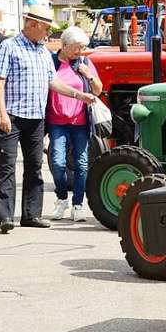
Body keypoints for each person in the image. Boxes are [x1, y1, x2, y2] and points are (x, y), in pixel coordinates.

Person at [0, 5, 95, 234]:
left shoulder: (42, 51)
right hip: (12, 115)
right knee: (7, 167)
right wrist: (1, 112)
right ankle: (5, 215)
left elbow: (53, 82)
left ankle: (31, 215)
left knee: (34, 167)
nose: (49, 32)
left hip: (36, 117)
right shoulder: (9, 47)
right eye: (47, 27)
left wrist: (79, 95)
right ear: (34, 24)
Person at [47, 26, 102, 222]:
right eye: (76, 48)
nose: (80, 52)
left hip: (80, 120)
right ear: (64, 46)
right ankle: (62, 199)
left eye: (82, 48)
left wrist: (89, 75)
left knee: (81, 163)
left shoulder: (85, 62)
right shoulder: (51, 62)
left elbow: (98, 90)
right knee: (57, 162)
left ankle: (78, 205)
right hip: (57, 120)